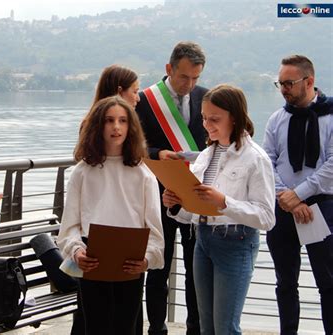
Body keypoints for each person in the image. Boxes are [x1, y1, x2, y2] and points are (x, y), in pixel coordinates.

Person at [163, 84, 275, 334]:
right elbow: (195, 211)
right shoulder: (205, 155)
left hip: (236, 243)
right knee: (207, 326)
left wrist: (224, 202)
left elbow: (267, 218)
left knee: (225, 328)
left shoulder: (256, 158)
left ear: (234, 117)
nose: (207, 124)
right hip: (202, 240)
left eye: (214, 119)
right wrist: (176, 205)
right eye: (204, 118)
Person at [57, 96, 165, 335]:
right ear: (98, 126)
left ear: (131, 126)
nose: (116, 127)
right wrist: (76, 250)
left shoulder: (143, 175)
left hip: (130, 263)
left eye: (123, 120)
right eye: (109, 120)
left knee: (126, 328)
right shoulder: (82, 172)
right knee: (95, 328)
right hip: (91, 260)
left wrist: (147, 259)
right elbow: (68, 228)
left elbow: (155, 232)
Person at [135, 41, 207, 335]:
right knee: (157, 270)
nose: (189, 85)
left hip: (194, 196)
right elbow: (134, 146)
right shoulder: (145, 100)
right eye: (184, 77)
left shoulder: (207, 97)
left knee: (196, 272)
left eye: (195, 78)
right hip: (157, 196)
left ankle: (195, 328)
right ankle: (156, 329)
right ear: (169, 69)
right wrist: (156, 153)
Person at [263, 55, 333, 335]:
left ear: (310, 81)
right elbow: (267, 161)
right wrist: (288, 199)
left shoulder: (330, 116)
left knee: (328, 282)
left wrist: (300, 194)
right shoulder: (277, 119)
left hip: (323, 206)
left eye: (289, 83)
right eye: (280, 83)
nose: (284, 89)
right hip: (283, 207)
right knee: (285, 282)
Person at [71, 64, 142, 335]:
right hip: (94, 238)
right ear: (119, 91)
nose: (138, 97)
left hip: (125, 245)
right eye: (135, 91)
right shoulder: (87, 167)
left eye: (122, 122)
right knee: (95, 316)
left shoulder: (139, 172)